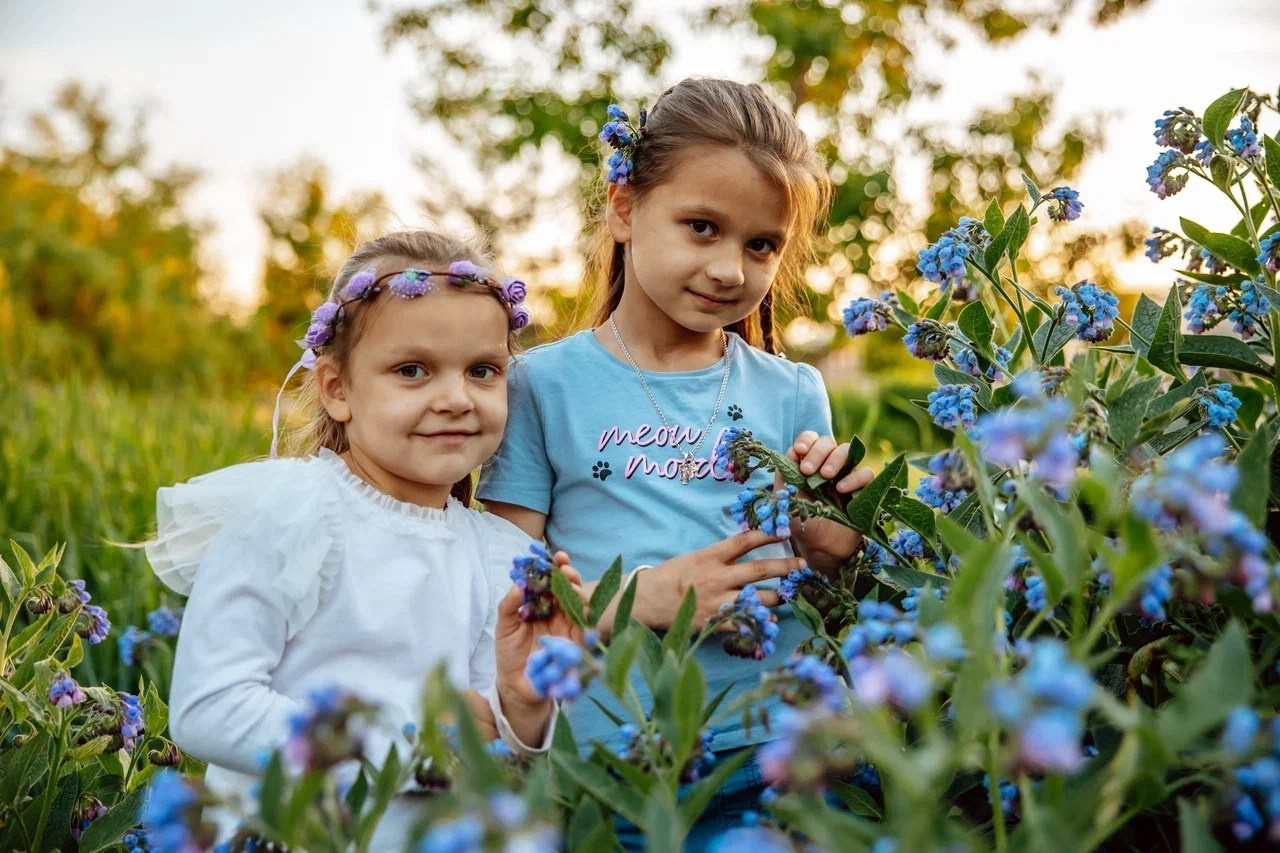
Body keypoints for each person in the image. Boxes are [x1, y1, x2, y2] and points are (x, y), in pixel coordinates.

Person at [477, 79, 873, 846]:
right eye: (702, 227)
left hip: (781, 751)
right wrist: (640, 599)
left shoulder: (792, 389)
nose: (731, 269)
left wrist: (834, 539)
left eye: (761, 245)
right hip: (618, 761)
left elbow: (828, 582)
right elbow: (504, 584)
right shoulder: (542, 384)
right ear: (624, 208)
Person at [146, 230, 577, 846]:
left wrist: (525, 706)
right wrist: (399, 748)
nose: (455, 398)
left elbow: (500, 753)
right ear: (337, 389)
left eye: (482, 371)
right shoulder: (294, 514)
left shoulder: (501, 553)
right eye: (412, 370)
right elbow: (207, 708)